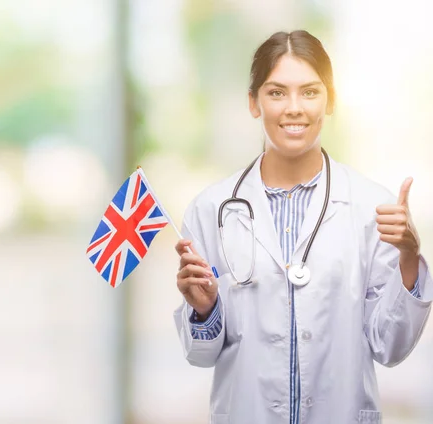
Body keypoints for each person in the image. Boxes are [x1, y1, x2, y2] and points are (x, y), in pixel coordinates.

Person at [173, 30, 431, 424]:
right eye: (276, 93)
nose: (294, 108)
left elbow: (389, 347)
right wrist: (204, 309)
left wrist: (410, 259)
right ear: (253, 103)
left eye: (309, 92)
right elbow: (200, 355)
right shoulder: (212, 209)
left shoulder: (371, 206)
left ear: (330, 101)